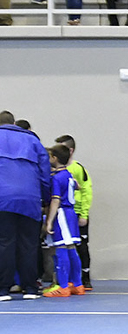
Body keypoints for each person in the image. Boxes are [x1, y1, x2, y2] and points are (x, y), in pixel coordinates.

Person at [0, 111, 50, 302]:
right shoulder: (33, 141)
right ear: (14, 123)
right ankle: (30, 288)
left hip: (2, 199)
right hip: (29, 199)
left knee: (5, 243)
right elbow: (45, 174)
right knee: (29, 245)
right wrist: (45, 199)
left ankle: (3, 289)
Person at [42, 145, 84, 298]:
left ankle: (63, 286)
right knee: (71, 247)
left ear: (55, 158)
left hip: (62, 214)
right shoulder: (69, 175)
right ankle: (77, 284)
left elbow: (55, 201)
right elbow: (77, 186)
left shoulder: (56, 178)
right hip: (71, 213)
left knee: (61, 248)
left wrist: (49, 221)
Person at [54, 135, 93, 290]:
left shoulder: (78, 168)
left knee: (81, 246)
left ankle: (85, 278)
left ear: (70, 150)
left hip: (76, 212)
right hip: (62, 213)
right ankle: (69, 280)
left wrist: (83, 214)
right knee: (64, 246)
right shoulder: (56, 171)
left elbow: (86, 191)